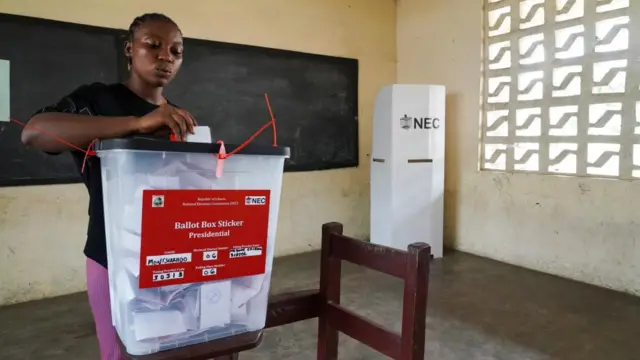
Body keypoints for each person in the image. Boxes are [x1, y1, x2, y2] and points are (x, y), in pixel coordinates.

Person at [21, 13, 195, 360]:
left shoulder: (178, 116)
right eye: (153, 45)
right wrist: (137, 124)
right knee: (119, 352)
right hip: (111, 254)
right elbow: (35, 132)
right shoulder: (99, 100)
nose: (166, 57)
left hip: (171, 257)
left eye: (176, 51)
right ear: (130, 49)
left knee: (172, 348)